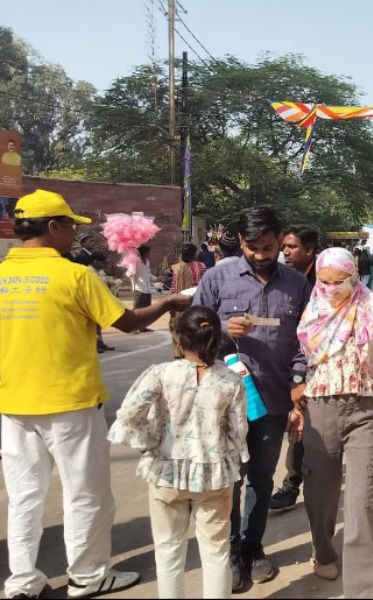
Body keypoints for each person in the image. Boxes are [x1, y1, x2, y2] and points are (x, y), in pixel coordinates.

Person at [0, 189, 192, 600]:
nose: (74, 233)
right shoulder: (74, 276)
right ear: (52, 227)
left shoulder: (1, 275)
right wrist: (169, 303)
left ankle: (21, 582)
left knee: (24, 497)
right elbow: (125, 321)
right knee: (86, 495)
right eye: (70, 225)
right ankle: (87, 577)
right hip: (69, 401)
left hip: (13, 404)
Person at [192, 206, 311, 593]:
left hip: (274, 401)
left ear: (280, 240)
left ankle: (253, 548)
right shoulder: (217, 277)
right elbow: (188, 337)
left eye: (268, 246)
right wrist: (223, 329)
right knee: (229, 479)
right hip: (225, 401)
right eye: (251, 247)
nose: (260, 255)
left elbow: (307, 340)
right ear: (239, 242)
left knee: (261, 477)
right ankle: (228, 554)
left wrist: (298, 380)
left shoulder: (297, 284)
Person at [108, 305, 249, 599]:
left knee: (169, 552)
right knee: (216, 553)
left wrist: (151, 442)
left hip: (166, 474)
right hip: (214, 476)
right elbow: (238, 432)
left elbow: (129, 415)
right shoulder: (232, 380)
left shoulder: (160, 374)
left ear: (179, 338)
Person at [295, 248, 373, 597]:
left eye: (339, 282)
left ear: (353, 277)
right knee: (320, 492)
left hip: (363, 409)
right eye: (325, 282)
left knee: (362, 502)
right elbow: (298, 358)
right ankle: (323, 549)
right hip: (320, 407)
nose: (331, 289)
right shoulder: (311, 309)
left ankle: (360, 589)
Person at [269, 225, 319, 513]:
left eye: (292, 247)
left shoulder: (325, 278)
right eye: (283, 246)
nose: (284, 252)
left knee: (304, 421)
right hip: (282, 359)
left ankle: (291, 484)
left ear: (309, 251)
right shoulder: (279, 278)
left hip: (315, 365)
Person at [70, 232, 114, 353]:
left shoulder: (93, 255)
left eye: (93, 241)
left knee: (97, 318)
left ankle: (100, 342)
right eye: (90, 241)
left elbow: (106, 258)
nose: (93, 243)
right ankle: (95, 343)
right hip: (86, 291)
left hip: (94, 289)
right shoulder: (81, 257)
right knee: (92, 318)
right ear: (83, 244)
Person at [169, 243, 207, 358]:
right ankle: (195, 353)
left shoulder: (176, 268)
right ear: (194, 254)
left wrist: (171, 307)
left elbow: (174, 288)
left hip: (180, 304)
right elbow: (204, 285)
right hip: (196, 302)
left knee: (177, 328)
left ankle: (179, 352)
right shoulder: (201, 266)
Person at [131, 244, 155, 333]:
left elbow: (148, 274)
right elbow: (130, 273)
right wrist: (134, 277)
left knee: (146, 309)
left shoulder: (147, 262)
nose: (149, 254)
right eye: (147, 252)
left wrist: (156, 279)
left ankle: (143, 327)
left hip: (147, 288)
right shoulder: (136, 262)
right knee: (137, 309)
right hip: (139, 288)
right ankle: (133, 327)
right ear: (143, 253)